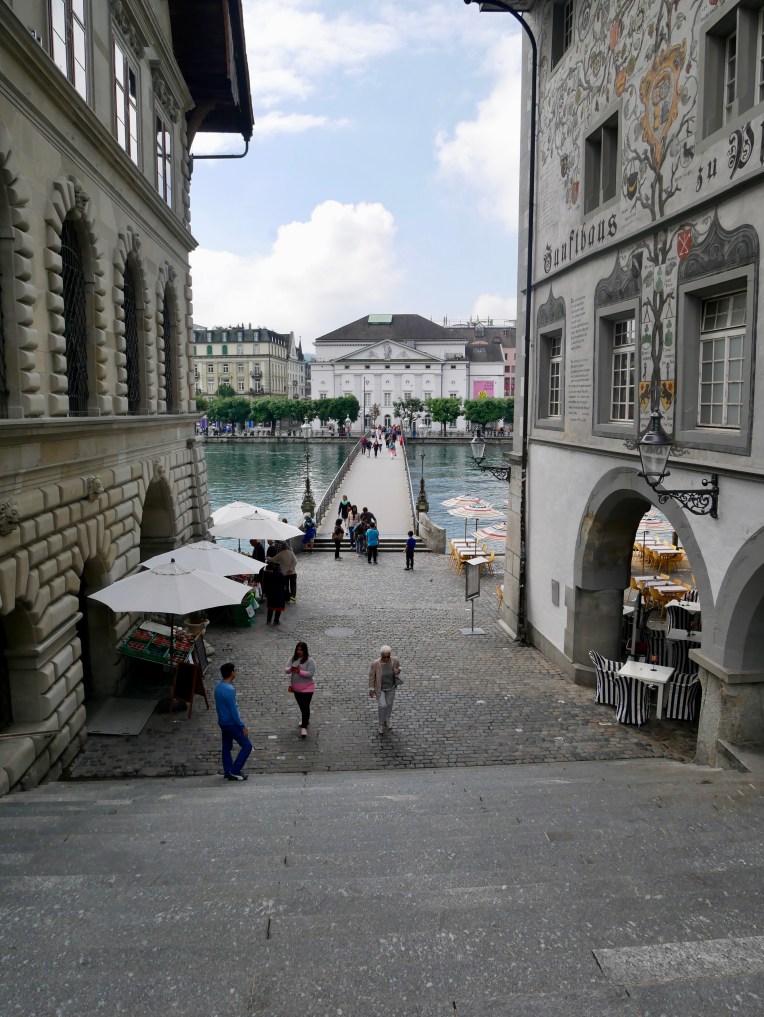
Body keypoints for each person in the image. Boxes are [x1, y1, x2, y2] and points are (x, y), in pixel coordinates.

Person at [214, 662, 252, 780]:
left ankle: (228, 771)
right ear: (232, 673)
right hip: (231, 723)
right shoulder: (229, 690)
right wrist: (242, 725)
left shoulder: (218, 686)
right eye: (235, 670)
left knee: (226, 747)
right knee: (247, 745)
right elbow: (234, 711)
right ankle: (235, 770)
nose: (236, 672)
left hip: (222, 722)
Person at [286, 641, 316, 739]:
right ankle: (305, 720)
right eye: (298, 650)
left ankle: (304, 727)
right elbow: (286, 669)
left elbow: (310, 674)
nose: (299, 652)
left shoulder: (310, 660)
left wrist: (299, 672)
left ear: (305, 650)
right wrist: (291, 669)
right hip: (296, 688)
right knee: (302, 706)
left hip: (308, 688)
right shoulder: (292, 659)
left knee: (305, 706)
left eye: (301, 650)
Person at [368, 645, 401, 735]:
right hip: (380, 688)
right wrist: (371, 689)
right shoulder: (376, 663)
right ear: (381, 655)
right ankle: (381, 724)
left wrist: (397, 671)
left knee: (389, 704)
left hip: (391, 687)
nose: (386, 659)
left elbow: (399, 667)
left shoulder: (394, 660)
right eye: (384, 657)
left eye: (388, 656)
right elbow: (372, 676)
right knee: (382, 705)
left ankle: (387, 720)